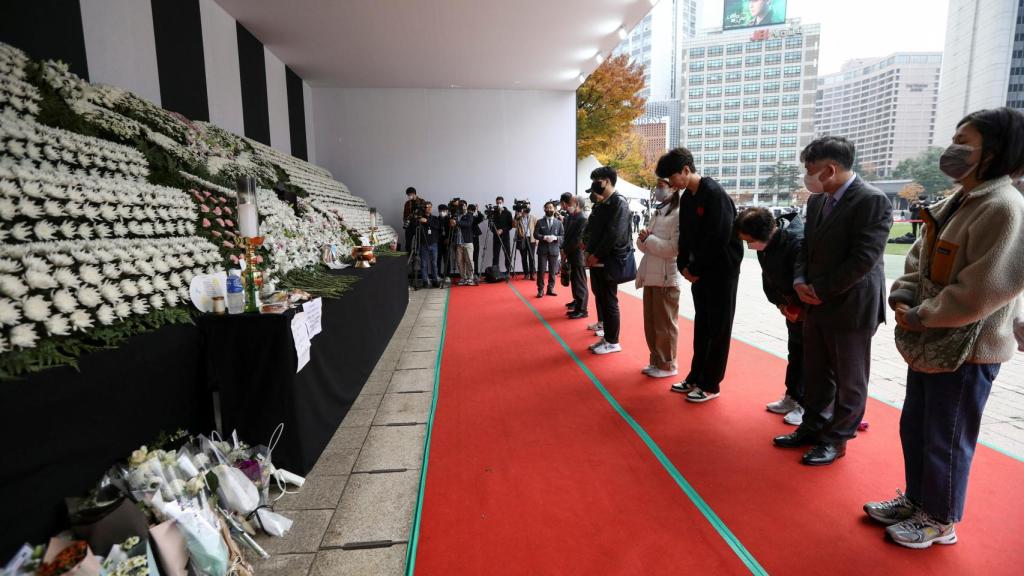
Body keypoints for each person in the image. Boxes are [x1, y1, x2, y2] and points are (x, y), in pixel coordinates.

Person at [864, 107, 1024, 549]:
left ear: (992, 153)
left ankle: (940, 519)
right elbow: (919, 259)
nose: (951, 150)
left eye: (963, 142)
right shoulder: (956, 201)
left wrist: (924, 314)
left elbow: (982, 290)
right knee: (916, 426)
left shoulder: (1003, 207)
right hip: (932, 340)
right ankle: (918, 500)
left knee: (947, 437)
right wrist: (904, 296)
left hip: (968, 347)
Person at [773, 136, 893, 466]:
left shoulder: (872, 201)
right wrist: (800, 281)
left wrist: (820, 289)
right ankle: (812, 427)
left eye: (810, 170)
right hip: (816, 301)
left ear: (830, 168)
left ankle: (837, 439)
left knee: (849, 379)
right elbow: (805, 248)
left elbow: (864, 259)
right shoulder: (817, 202)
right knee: (815, 371)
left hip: (851, 305)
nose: (807, 176)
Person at [659, 147, 743, 403]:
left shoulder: (714, 194)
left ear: (685, 170)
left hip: (721, 271)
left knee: (719, 328)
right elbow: (686, 235)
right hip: (699, 272)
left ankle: (711, 384)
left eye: (671, 178)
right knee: (702, 326)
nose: (670, 184)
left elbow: (718, 239)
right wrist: (684, 265)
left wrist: (695, 269)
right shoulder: (688, 198)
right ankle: (696, 375)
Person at [734, 207, 806, 425]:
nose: (749, 246)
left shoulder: (796, 244)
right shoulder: (765, 246)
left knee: (809, 357)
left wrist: (798, 307)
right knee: (795, 352)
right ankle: (792, 396)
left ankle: (807, 404)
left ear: (763, 235)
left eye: (750, 241)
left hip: (805, 308)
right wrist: (781, 304)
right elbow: (769, 279)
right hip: (788, 305)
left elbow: (803, 279)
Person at [636, 180, 683, 379]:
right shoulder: (658, 212)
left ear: (673, 187)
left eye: (662, 185)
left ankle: (668, 364)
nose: (658, 189)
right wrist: (643, 238)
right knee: (652, 322)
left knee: (665, 324)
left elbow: (674, 249)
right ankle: (656, 360)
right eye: (657, 185)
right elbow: (643, 244)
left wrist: (649, 240)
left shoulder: (677, 214)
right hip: (652, 274)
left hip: (666, 277)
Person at [584, 166, 632, 355]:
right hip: (597, 259)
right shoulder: (604, 203)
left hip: (609, 259)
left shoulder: (619, 203)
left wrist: (597, 254)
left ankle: (613, 341)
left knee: (609, 300)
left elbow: (614, 234)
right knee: (602, 298)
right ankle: (607, 336)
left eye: (598, 180)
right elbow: (595, 231)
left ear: (608, 181)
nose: (595, 184)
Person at [561, 193, 589, 319]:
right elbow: (567, 236)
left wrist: (566, 251)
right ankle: (577, 304)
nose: (568, 205)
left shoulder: (582, 218)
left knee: (580, 282)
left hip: (577, 255)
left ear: (577, 204)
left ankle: (582, 309)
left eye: (570, 203)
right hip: (571, 253)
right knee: (575, 281)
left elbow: (578, 240)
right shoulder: (573, 216)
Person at [533, 201, 563, 298]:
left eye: (551, 207)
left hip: (554, 250)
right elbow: (535, 234)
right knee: (541, 270)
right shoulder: (539, 221)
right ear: (544, 209)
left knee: (552, 271)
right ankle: (540, 290)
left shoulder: (559, 223)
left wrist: (556, 238)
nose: (549, 209)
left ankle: (550, 288)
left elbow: (562, 236)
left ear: (554, 209)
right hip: (542, 250)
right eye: (547, 208)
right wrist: (544, 237)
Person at [416, 201, 441, 289]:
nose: (429, 208)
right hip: (423, 244)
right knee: (424, 264)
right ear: (424, 208)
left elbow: (437, 226)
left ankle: (435, 280)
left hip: (433, 243)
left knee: (434, 263)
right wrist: (421, 220)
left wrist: (426, 221)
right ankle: (425, 281)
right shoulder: (419, 218)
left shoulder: (435, 218)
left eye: (430, 207)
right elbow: (415, 228)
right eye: (427, 207)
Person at [454, 203, 478, 286]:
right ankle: (463, 278)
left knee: (469, 261)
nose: (462, 207)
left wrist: (456, 222)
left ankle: (470, 278)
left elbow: (468, 224)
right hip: (458, 242)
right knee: (459, 261)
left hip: (467, 242)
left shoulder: (469, 215)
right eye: (460, 206)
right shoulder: (456, 216)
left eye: (464, 206)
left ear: (466, 207)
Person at [490, 196, 514, 273]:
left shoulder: (508, 213)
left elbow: (510, 226)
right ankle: (495, 270)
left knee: (507, 253)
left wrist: (502, 230)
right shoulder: (493, 213)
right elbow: (490, 225)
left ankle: (508, 270)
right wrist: (495, 231)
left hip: (505, 236)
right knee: (495, 254)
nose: (499, 204)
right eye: (497, 203)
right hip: (496, 237)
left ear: (503, 203)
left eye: (500, 203)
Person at [515, 204, 538, 280]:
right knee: (523, 257)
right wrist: (517, 216)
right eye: (523, 209)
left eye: (526, 209)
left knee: (531, 257)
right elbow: (513, 225)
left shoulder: (533, 217)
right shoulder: (519, 218)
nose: (524, 211)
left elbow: (537, 229)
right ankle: (526, 274)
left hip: (531, 239)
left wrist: (537, 240)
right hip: (522, 239)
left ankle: (532, 274)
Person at [469, 203, 485, 279]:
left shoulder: (475, 218)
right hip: (468, 239)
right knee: (469, 257)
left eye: (472, 210)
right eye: (470, 210)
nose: (471, 212)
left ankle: (476, 272)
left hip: (475, 238)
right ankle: (470, 273)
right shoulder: (465, 217)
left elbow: (481, 218)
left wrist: (478, 210)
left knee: (476, 255)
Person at [402, 187, 419, 252]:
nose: (409, 196)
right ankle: (408, 257)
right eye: (408, 195)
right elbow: (404, 214)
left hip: (418, 225)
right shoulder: (407, 203)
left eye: (410, 194)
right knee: (408, 243)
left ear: (414, 194)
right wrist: (405, 221)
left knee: (419, 242)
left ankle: (417, 257)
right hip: (409, 226)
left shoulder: (421, 201)